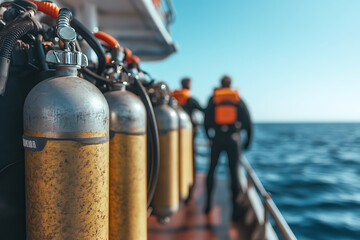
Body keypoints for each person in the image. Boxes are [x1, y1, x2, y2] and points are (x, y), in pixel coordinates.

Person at [203, 75, 252, 221]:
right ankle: (235, 209)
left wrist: (210, 137)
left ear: (221, 84)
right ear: (230, 84)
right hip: (233, 140)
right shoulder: (237, 100)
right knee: (234, 173)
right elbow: (248, 122)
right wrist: (247, 141)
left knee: (212, 170)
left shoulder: (213, 100)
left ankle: (207, 204)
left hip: (217, 139)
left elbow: (206, 121)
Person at [172, 77, 204, 202]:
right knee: (190, 162)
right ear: (189, 86)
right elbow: (203, 110)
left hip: (174, 136)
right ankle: (189, 193)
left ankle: (175, 189)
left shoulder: (175, 98)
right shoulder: (191, 100)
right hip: (189, 136)